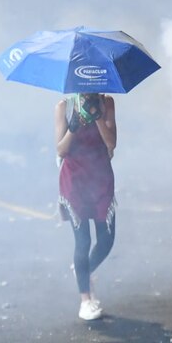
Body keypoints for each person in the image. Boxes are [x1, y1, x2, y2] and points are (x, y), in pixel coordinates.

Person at [55, 92, 117, 321]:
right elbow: (61, 149)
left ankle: (84, 270)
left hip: (100, 177)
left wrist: (98, 117)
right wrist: (74, 126)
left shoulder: (107, 102)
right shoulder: (64, 106)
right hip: (75, 181)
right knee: (83, 240)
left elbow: (111, 144)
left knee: (107, 239)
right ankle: (86, 300)